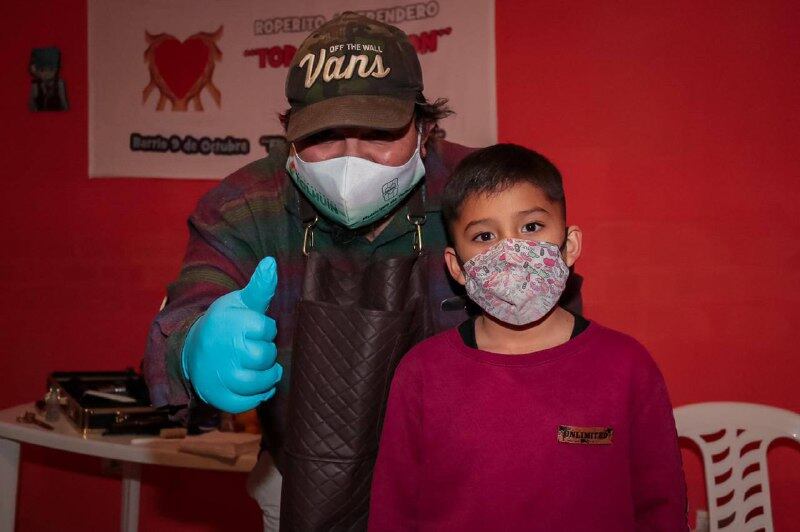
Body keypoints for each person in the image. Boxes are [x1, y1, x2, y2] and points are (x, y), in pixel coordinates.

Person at [141, 12, 499, 531]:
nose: (351, 160)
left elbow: (561, 333)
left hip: (466, 486)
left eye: (378, 133)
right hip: (302, 492)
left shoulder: (486, 192)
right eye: (324, 136)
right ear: (288, 136)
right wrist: (195, 347)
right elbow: (183, 316)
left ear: (424, 129)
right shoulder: (246, 206)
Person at [368, 144, 688, 531]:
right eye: (484, 236)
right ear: (457, 267)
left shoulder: (627, 366)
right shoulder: (421, 372)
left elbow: (662, 507)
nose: (511, 250)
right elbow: (393, 512)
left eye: (531, 227)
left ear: (569, 245)